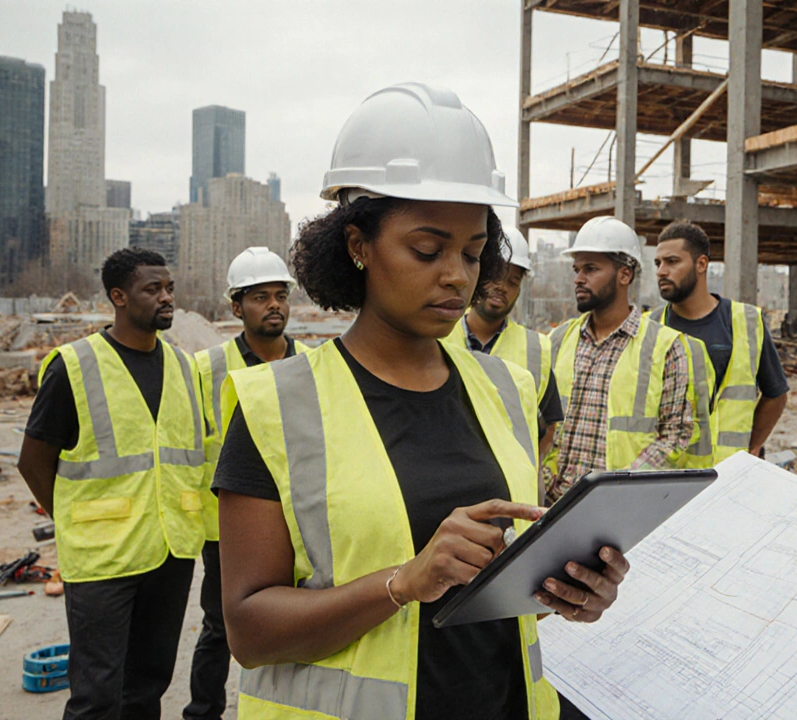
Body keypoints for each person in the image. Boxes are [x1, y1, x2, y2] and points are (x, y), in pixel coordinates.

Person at [213, 82, 628, 720]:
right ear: (357, 245)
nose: (458, 275)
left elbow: (508, 585)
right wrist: (402, 583)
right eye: (427, 250)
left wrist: (570, 590)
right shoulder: (280, 406)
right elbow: (248, 632)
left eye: (471, 252)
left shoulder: (506, 389)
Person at [17, 248, 206, 720]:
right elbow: (32, 461)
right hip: (103, 560)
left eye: (169, 289)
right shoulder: (74, 366)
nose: (167, 299)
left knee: (147, 686)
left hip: (170, 552)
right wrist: (78, 520)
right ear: (118, 297)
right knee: (97, 694)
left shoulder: (185, 368)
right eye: (152, 289)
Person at [186, 246, 309, 720]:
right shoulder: (207, 369)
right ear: (237, 307)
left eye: (280, 295)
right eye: (260, 297)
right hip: (229, 528)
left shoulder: (314, 363)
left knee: (296, 622)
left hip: (302, 518)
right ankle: (203, 713)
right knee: (221, 629)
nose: (274, 305)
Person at [545, 216, 695, 504]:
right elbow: (539, 423)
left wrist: (620, 491)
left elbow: (676, 434)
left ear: (624, 275)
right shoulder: (558, 340)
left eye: (591, 269)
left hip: (619, 511)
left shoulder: (665, 346)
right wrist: (544, 482)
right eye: (577, 269)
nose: (578, 278)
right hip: (552, 505)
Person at [652, 221, 790, 461]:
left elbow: (776, 393)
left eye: (672, 262)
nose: (661, 271)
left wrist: (753, 446)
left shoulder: (745, 321)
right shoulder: (650, 327)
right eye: (658, 263)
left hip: (732, 473)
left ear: (701, 264)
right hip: (670, 477)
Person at [445, 227, 564, 468]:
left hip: (508, 488)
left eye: (513, 281)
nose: (503, 287)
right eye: (496, 275)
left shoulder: (535, 349)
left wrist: (530, 472)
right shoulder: (439, 335)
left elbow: (551, 426)